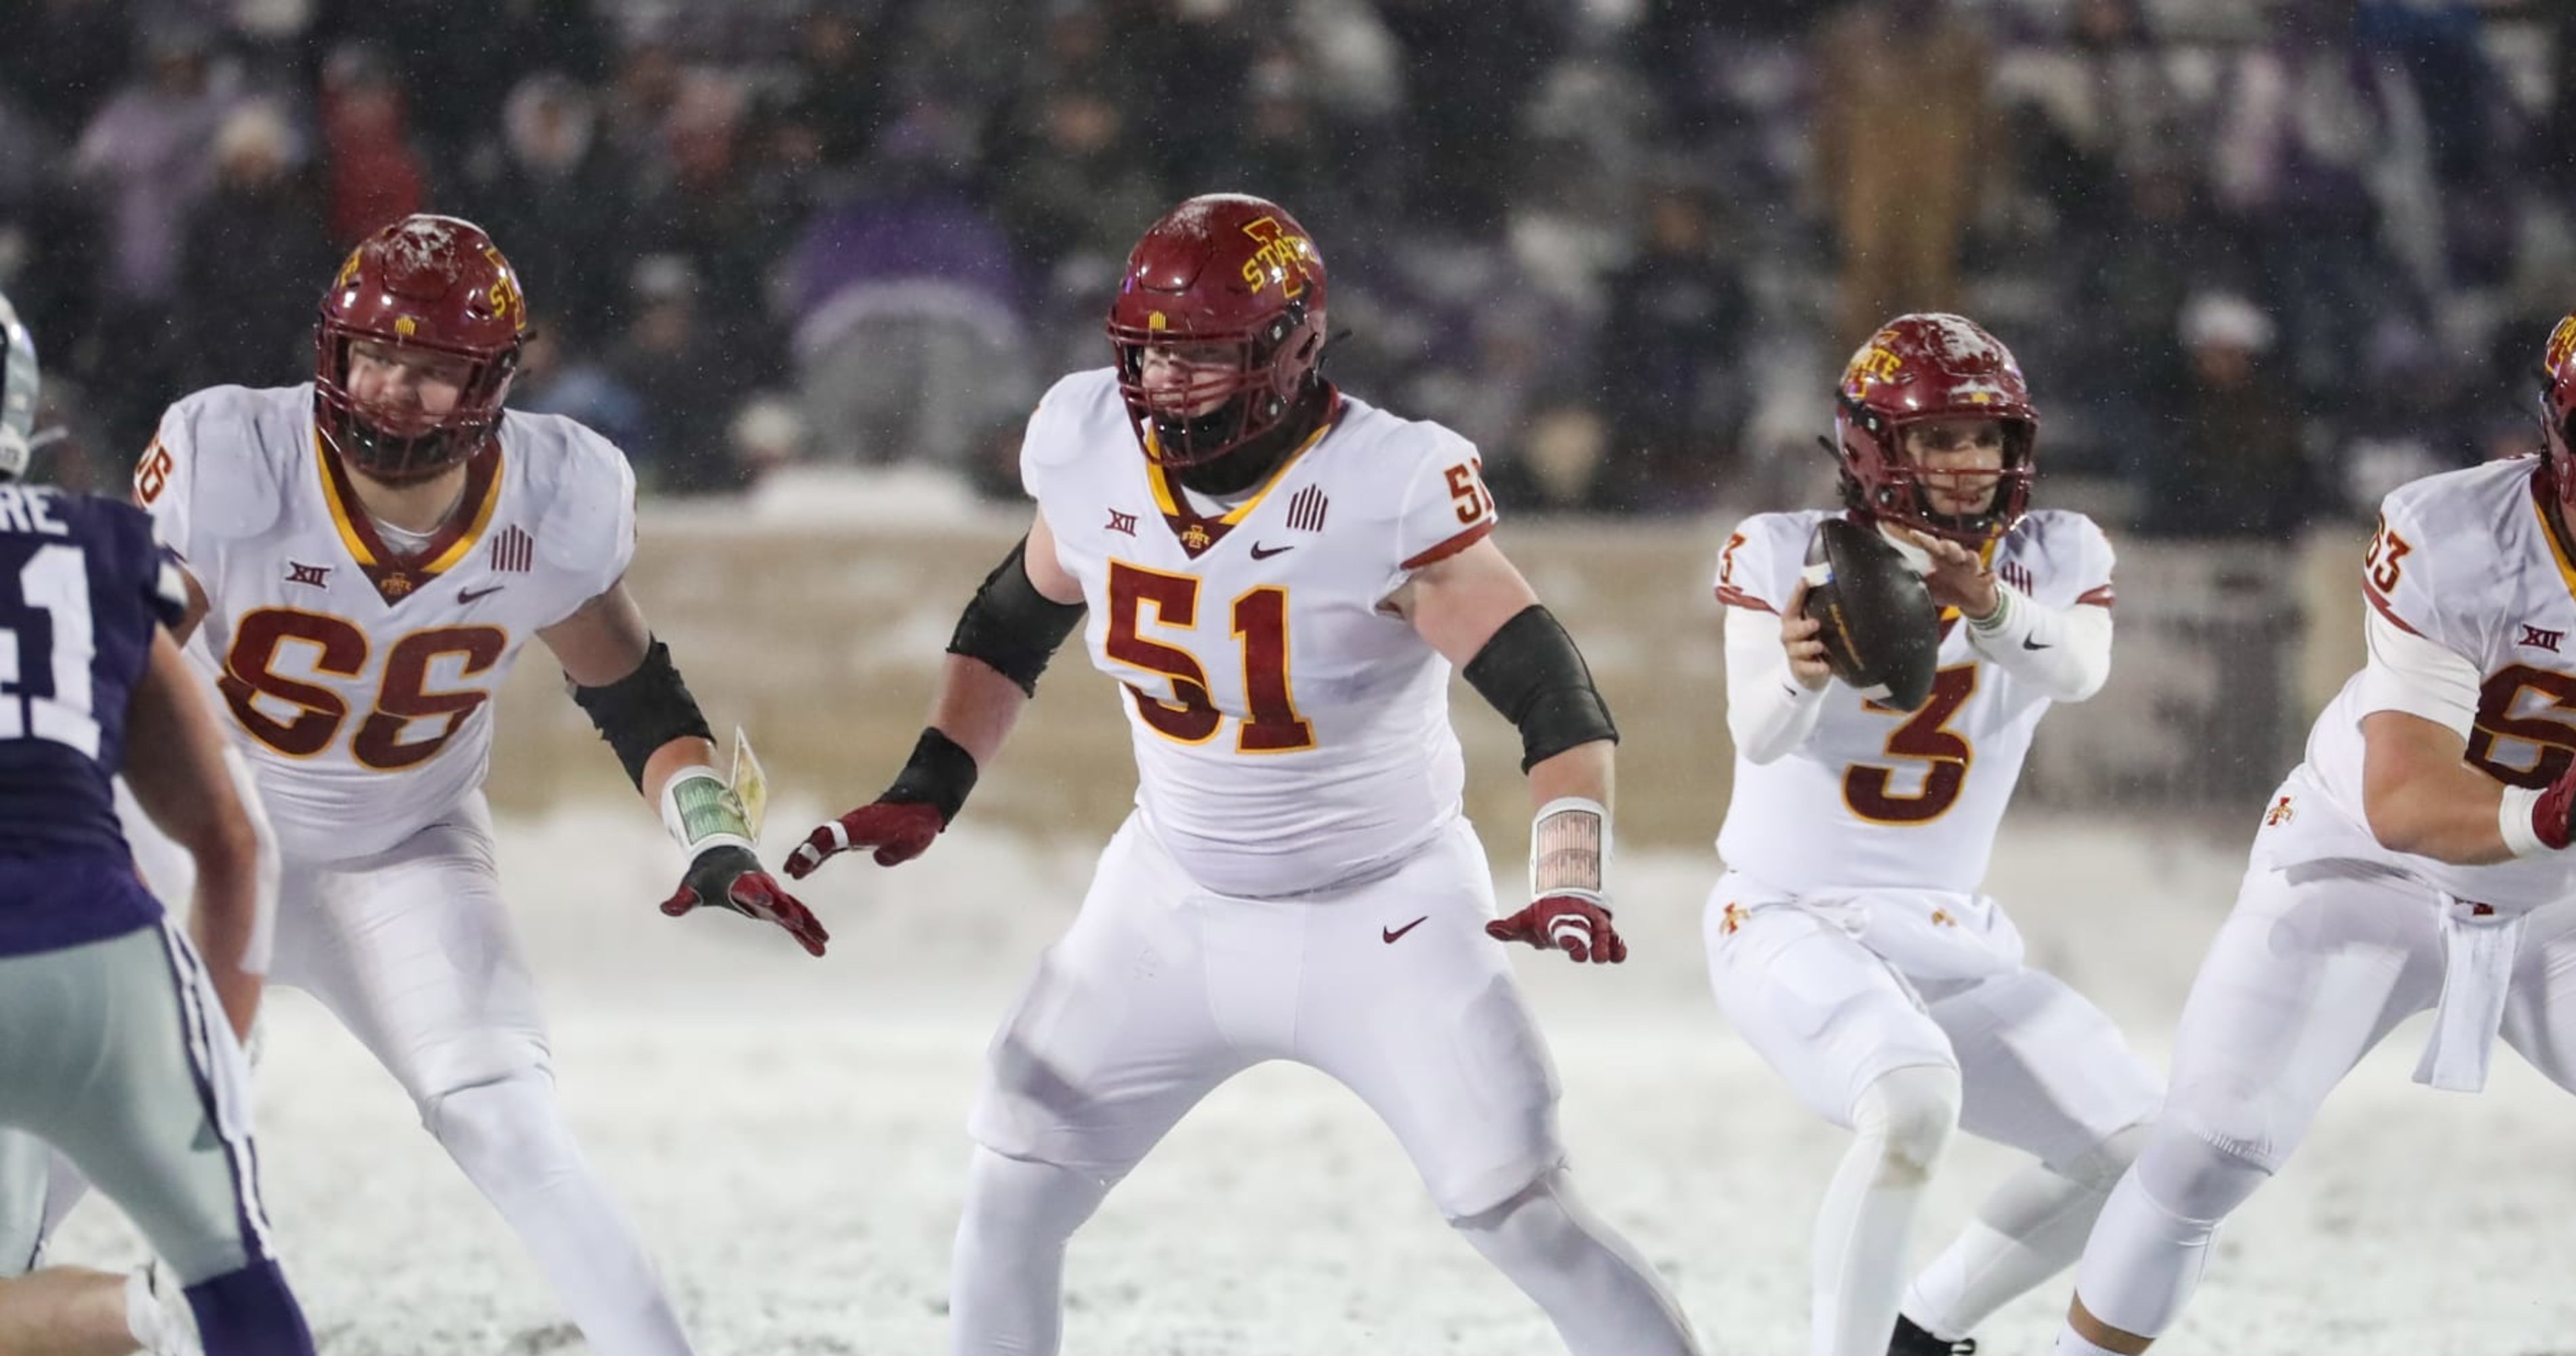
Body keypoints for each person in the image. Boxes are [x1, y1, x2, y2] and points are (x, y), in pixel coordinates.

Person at [787, 193, 1703, 1356]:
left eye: (1201, 357)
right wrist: (932, 781)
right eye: (1149, 356)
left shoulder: (1386, 482)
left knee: (1520, 1212)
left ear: (1288, 346)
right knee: (1013, 1183)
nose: (1163, 387)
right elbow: (1019, 615)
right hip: (1171, 902)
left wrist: (1572, 863)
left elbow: (1550, 690)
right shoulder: (1089, 444)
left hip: (1386, 909)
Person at [59, 213, 825, 1356]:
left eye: (429, 370)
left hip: (403, 849)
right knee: (76, 1117)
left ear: (492, 385)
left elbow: (630, 688)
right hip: (207, 838)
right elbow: (127, 664)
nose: (391, 390)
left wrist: (712, 834)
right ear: (332, 349)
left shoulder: (555, 495)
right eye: (373, 356)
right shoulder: (233, 456)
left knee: (506, 1118)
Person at [2050, 316, 2576, 1355]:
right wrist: (2557, 812)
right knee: (2214, 1142)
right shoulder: (2455, 534)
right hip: (2370, 864)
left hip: (2557, 898)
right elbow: (2408, 799)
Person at [1706, 313, 2160, 1356]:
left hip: (1945, 929)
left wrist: (1988, 603)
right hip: (1785, 913)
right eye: (1941, 438)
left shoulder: (2057, 551)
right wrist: (1801, 670)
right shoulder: (1781, 550)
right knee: (1909, 1104)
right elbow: (1759, 736)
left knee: (2145, 1146)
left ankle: (1927, 1330)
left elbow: (2080, 671)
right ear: (1875, 448)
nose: (1969, 463)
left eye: (1987, 438)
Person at [0, 291, 316, 1355]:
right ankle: (129, 1317)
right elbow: (236, 844)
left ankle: (108, 1320)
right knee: (241, 1292)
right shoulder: (98, 547)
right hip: (110, 962)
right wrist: (212, 1058)